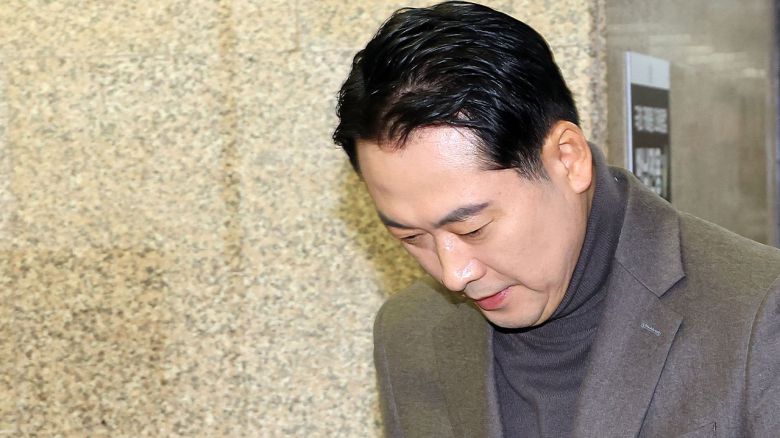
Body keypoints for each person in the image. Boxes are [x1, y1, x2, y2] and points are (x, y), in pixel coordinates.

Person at [332, 1, 780, 437]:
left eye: (473, 229)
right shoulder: (408, 332)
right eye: (412, 237)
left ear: (567, 159)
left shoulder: (758, 314)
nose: (453, 275)